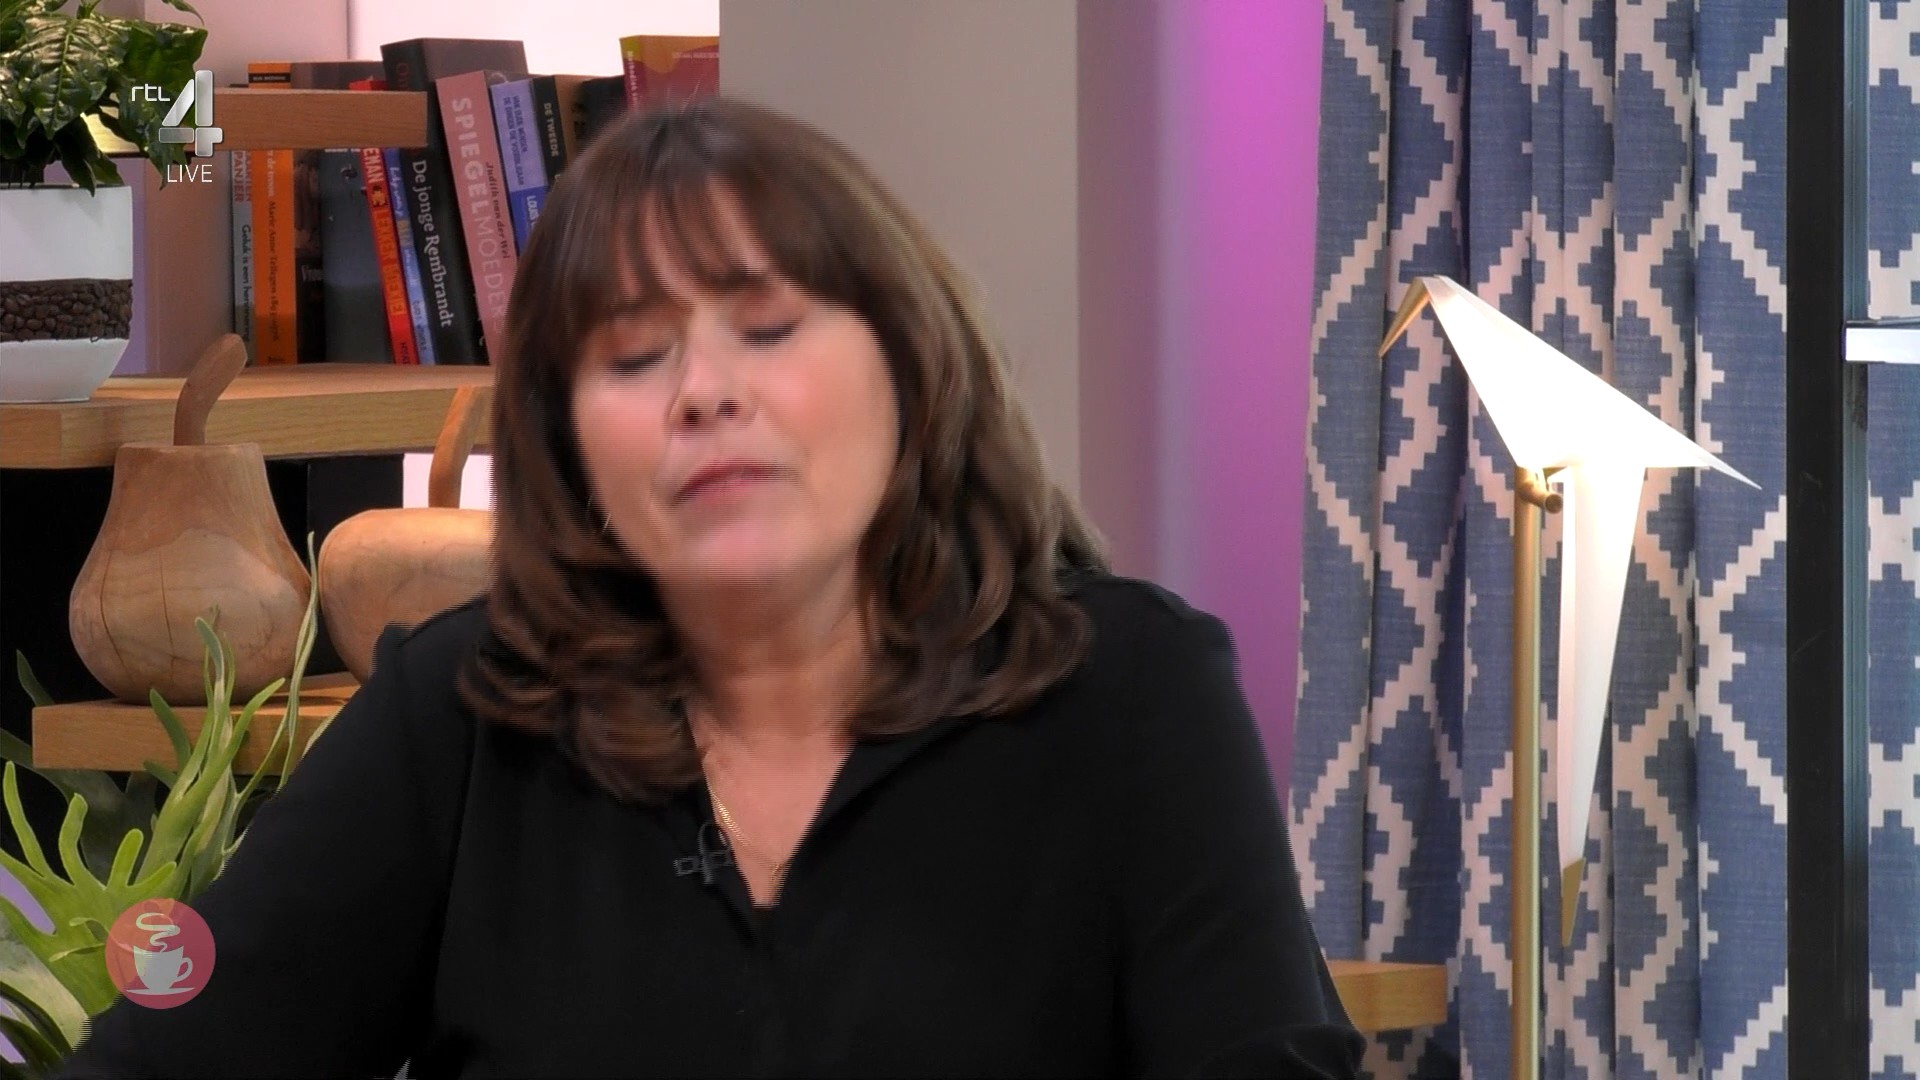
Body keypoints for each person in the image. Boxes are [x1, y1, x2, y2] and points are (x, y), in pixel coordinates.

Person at [56, 97, 1363, 1079]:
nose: (704, 392)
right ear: (570, 445)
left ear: (911, 366)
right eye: (633, 357)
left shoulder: (1130, 697)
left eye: (770, 327)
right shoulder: (463, 711)